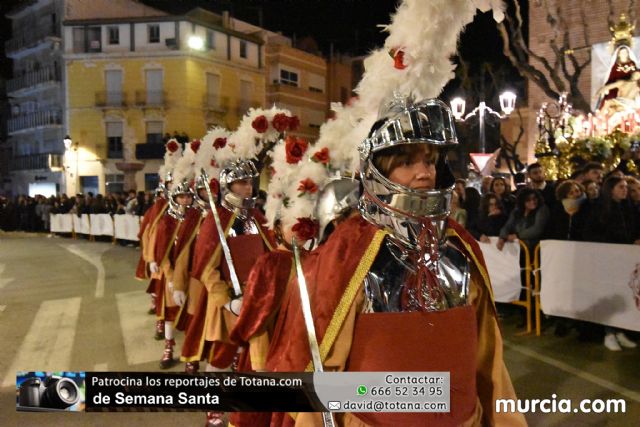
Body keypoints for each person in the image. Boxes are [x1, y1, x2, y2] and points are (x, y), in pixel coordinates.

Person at [266, 98, 525, 426]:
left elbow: (489, 362)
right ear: (378, 169)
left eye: (430, 161)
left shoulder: (461, 249)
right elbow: (324, 368)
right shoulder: (348, 252)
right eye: (406, 162)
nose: (424, 173)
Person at [583, 176, 640, 351]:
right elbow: (590, 233)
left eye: (626, 187)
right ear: (611, 189)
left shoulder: (627, 207)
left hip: (625, 259)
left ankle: (620, 330)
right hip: (607, 259)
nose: (625, 190)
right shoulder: (599, 209)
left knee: (623, 294)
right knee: (608, 294)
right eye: (621, 187)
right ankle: (609, 333)